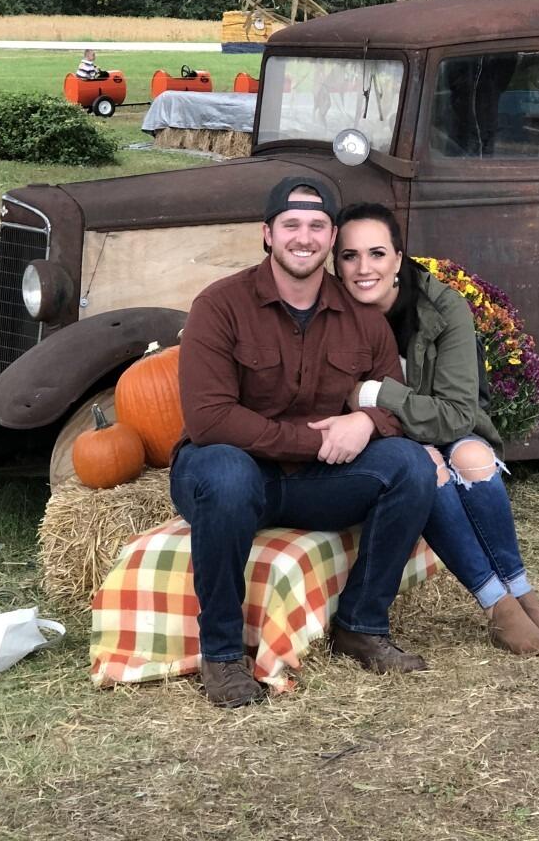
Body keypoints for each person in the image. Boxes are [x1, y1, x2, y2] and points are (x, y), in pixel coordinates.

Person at [170, 176, 437, 708]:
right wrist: (310, 443)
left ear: (331, 237)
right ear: (267, 234)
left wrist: (367, 423)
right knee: (226, 472)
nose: (304, 237)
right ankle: (222, 655)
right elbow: (210, 420)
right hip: (231, 473)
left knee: (410, 466)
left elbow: (397, 403)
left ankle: (361, 625)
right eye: (290, 224)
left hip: (315, 483)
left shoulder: (363, 318)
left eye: (317, 225)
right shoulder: (220, 305)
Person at [334, 202, 539, 657]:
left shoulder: (441, 307)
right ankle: (499, 607)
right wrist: (394, 429)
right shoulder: (333, 313)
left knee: (472, 457)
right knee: (425, 467)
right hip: (384, 440)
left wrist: (375, 393)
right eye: (350, 256)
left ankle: (524, 595)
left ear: (398, 258)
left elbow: (456, 416)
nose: (364, 268)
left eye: (377, 253)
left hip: (445, 425)